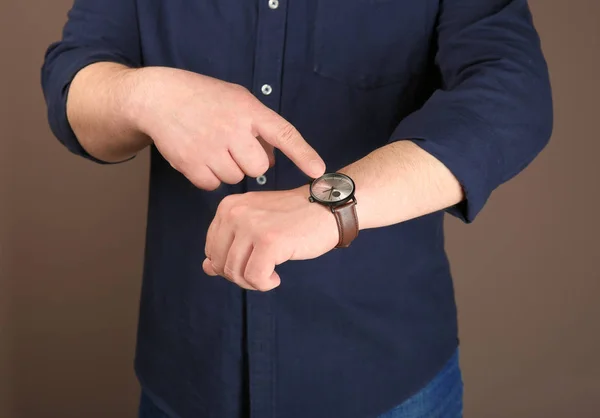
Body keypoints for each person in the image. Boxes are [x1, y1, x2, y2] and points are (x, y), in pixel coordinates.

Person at [41, 0, 552, 417]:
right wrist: (142, 96)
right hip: (185, 376)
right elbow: (72, 76)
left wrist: (335, 203)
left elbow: (513, 92)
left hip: (387, 381)